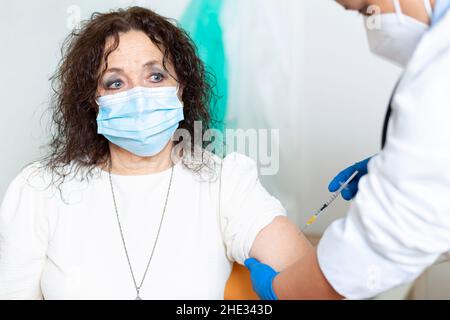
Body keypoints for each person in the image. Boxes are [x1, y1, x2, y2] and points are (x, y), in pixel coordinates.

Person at [0, 7, 311, 300]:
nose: (138, 95)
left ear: (181, 88)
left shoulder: (225, 183)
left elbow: (314, 281)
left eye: (156, 77)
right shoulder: (38, 190)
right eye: (116, 82)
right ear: (91, 100)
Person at [245, 0, 450, 300]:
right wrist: (399, 167)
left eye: (366, 10)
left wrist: (283, 291)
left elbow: (390, 237)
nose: (372, 26)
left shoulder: (438, 74)